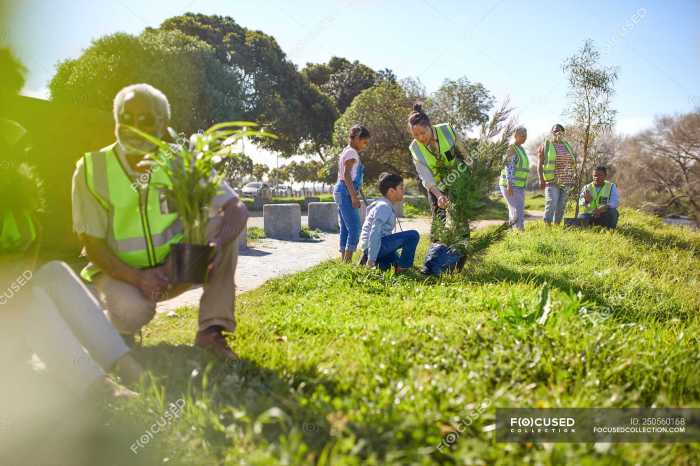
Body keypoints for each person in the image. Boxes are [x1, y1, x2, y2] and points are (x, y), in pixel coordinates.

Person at [71, 83, 248, 360]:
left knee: (221, 228)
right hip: (124, 276)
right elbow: (91, 242)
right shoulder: (91, 169)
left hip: (177, 267)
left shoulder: (183, 161)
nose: (134, 126)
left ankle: (211, 332)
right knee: (131, 311)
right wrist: (137, 278)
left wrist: (212, 245)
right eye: (126, 118)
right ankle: (122, 333)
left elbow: (235, 208)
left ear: (164, 123)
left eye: (146, 119)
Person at [1, 159, 143, 402]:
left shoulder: (19, 201)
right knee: (29, 302)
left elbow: (29, 257)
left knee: (55, 272)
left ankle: (126, 365)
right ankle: (99, 388)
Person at [407, 103, 469, 240]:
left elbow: (465, 153)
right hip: (436, 185)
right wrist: (439, 195)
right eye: (416, 135)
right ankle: (434, 256)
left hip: (456, 178)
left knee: (461, 218)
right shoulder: (415, 148)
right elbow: (425, 176)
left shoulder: (447, 130)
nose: (421, 138)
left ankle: (461, 253)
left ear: (430, 126)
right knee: (439, 221)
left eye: (423, 133)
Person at [358, 173, 420, 273]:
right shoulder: (384, 207)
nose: (403, 191)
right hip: (374, 247)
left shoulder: (383, 204)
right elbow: (375, 232)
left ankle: (372, 262)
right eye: (401, 188)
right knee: (413, 235)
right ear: (391, 191)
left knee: (388, 265)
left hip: (375, 247)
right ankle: (402, 269)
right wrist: (371, 259)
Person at [333, 125, 370, 263]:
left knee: (345, 228)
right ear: (357, 138)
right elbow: (346, 175)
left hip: (342, 190)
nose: (365, 146)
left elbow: (352, 176)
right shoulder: (352, 153)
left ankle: (344, 262)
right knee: (355, 228)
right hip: (345, 191)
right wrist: (353, 196)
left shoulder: (347, 151)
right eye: (364, 142)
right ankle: (347, 262)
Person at [537, 124, 577, 225]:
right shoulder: (546, 145)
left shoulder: (567, 145)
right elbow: (539, 164)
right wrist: (540, 179)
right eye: (555, 131)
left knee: (561, 206)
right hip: (552, 180)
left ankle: (557, 225)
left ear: (563, 133)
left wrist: (574, 177)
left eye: (560, 131)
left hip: (566, 181)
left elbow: (572, 162)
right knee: (551, 203)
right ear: (552, 133)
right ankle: (547, 225)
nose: (558, 133)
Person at [499, 126, 530, 231]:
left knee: (517, 210)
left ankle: (513, 234)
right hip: (510, 185)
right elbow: (509, 167)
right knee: (516, 210)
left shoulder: (521, 149)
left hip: (519, 186)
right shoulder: (511, 148)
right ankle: (519, 232)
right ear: (515, 136)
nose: (525, 137)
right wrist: (509, 184)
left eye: (526, 135)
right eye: (522, 135)